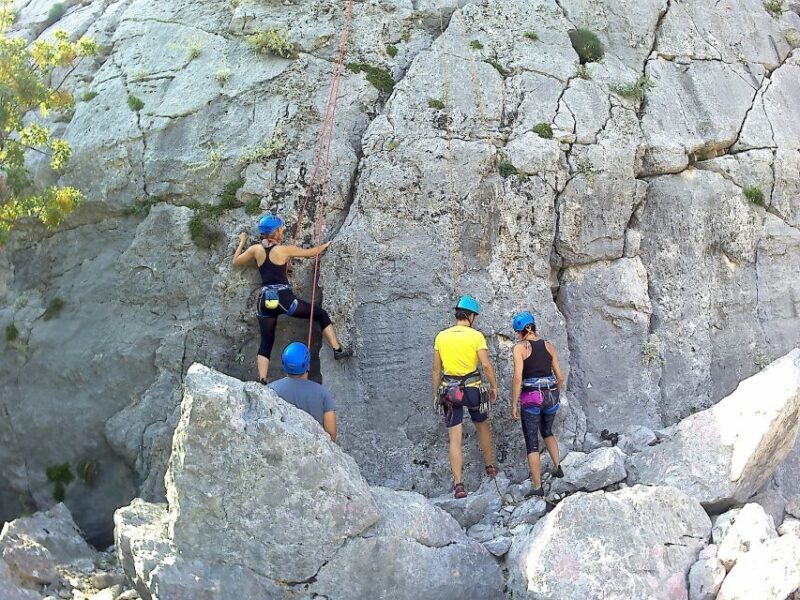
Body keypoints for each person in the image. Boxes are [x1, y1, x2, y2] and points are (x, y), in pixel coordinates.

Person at [232, 214, 351, 384]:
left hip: (265, 300)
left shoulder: (255, 250)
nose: (282, 231)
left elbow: (235, 261)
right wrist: (327, 244)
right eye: (280, 229)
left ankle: (262, 380)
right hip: (284, 299)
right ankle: (337, 350)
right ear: (276, 232)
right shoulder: (283, 250)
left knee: (266, 340)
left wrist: (243, 241)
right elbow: (313, 252)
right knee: (320, 314)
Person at [432, 295, 499, 499]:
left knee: (455, 438)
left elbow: (436, 369)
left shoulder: (441, 336)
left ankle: (459, 485)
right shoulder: (476, 336)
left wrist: (436, 392)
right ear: (470, 316)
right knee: (482, 426)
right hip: (473, 390)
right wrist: (494, 386)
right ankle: (490, 468)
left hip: (450, 391)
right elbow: (486, 365)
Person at [510, 311, 565, 497]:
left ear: (524, 330)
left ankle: (537, 486)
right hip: (551, 395)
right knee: (547, 431)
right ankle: (558, 467)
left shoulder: (520, 348)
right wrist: (554, 392)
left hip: (531, 398)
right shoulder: (548, 346)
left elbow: (518, 378)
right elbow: (560, 376)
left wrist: (514, 404)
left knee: (532, 441)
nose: (517, 335)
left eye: (518, 332)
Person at [269, 341, 337, 441]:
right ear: (308, 366)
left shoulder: (270, 390)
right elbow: (331, 434)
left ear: (283, 364)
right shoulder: (322, 393)